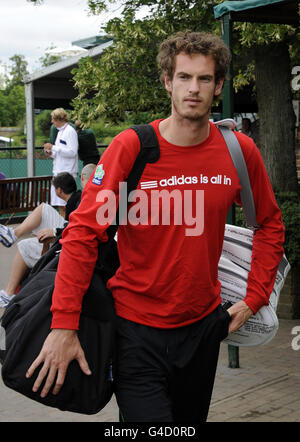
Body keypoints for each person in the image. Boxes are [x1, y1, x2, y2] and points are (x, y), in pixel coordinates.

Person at [26, 31, 285, 422]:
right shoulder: (133, 147)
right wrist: (64, 325)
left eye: (204, 79)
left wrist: (254, 298)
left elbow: (269, 224)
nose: (193, 89)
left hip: (203, 329)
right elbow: (81, 234)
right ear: (168, 82)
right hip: (136, 330)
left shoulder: (238, 150)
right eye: (184, 77)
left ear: (218, 86)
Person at [0, 166, 95, 308]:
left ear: (82, 178)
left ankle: (9, 293)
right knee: (43, 210)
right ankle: (12, 235)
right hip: (73, 235)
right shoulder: (93, 196)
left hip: (71, 241)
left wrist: (56, 231)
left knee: (25, 244)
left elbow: (80, 226)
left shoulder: (85, 196)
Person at [43, 108, 79, 215]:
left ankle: (65, 228)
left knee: (65, 205)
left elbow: (73, 152)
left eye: (53, 119)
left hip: (67, 173)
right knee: (60, 205)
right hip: (58, 172)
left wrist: (54, 147)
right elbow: (60, 152)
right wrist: (50, 153)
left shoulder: (70, 132)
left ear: (59, 119)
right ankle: (61, 229)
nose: (52, 121)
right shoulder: (60, 133)